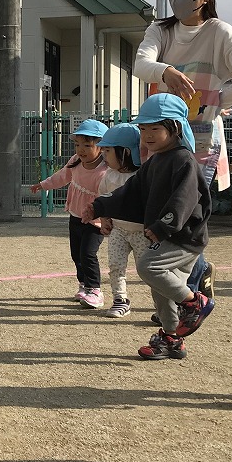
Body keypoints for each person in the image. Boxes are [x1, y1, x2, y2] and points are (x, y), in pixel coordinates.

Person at [132, 0, 232, 301]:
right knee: (163, 210)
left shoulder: (220, 32)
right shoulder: (160, 30)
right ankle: (197, 272)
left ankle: (186, 297)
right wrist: (166, 71)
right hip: (162, 136)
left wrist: (217, 98)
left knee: (185, 210)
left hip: (202, 137)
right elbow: (141, 65)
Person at [84, 94, 211, 361]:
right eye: (143, 129)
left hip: (184, 237)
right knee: (161, 288)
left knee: (149, 267)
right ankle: (171, 339)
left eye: (155, 128)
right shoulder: (156, 160)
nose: (147, 135)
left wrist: (164, 226)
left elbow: (184, 199)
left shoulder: (183, 160)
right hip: (168, 235)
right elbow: (131, 192)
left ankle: (194, 302)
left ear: (175, 128)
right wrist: (100, 206)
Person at [31, 119, 109, 309]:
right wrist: (44, 184)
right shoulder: (75, 161)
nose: (81, 149)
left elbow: (110, 197)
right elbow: (62, 176)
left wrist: (106, 218)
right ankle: (83, 285)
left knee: (88, 253)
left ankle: (95, 290)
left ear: (101, 147)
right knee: (76, 254)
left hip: (95, 220)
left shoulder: (106, 169)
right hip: (75, 215)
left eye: (87, 145)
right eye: (77, 144)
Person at [94, 123, 143, 319]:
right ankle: (120, 300)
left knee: (147, 270)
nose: (103, 154)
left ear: (126, 152)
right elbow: (103, 198)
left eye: (108, 150)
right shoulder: (109, 175)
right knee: (115, 266)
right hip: (118, 230)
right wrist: (104, 218)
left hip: (142, 232)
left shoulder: (142, 176)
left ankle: (162, 305)